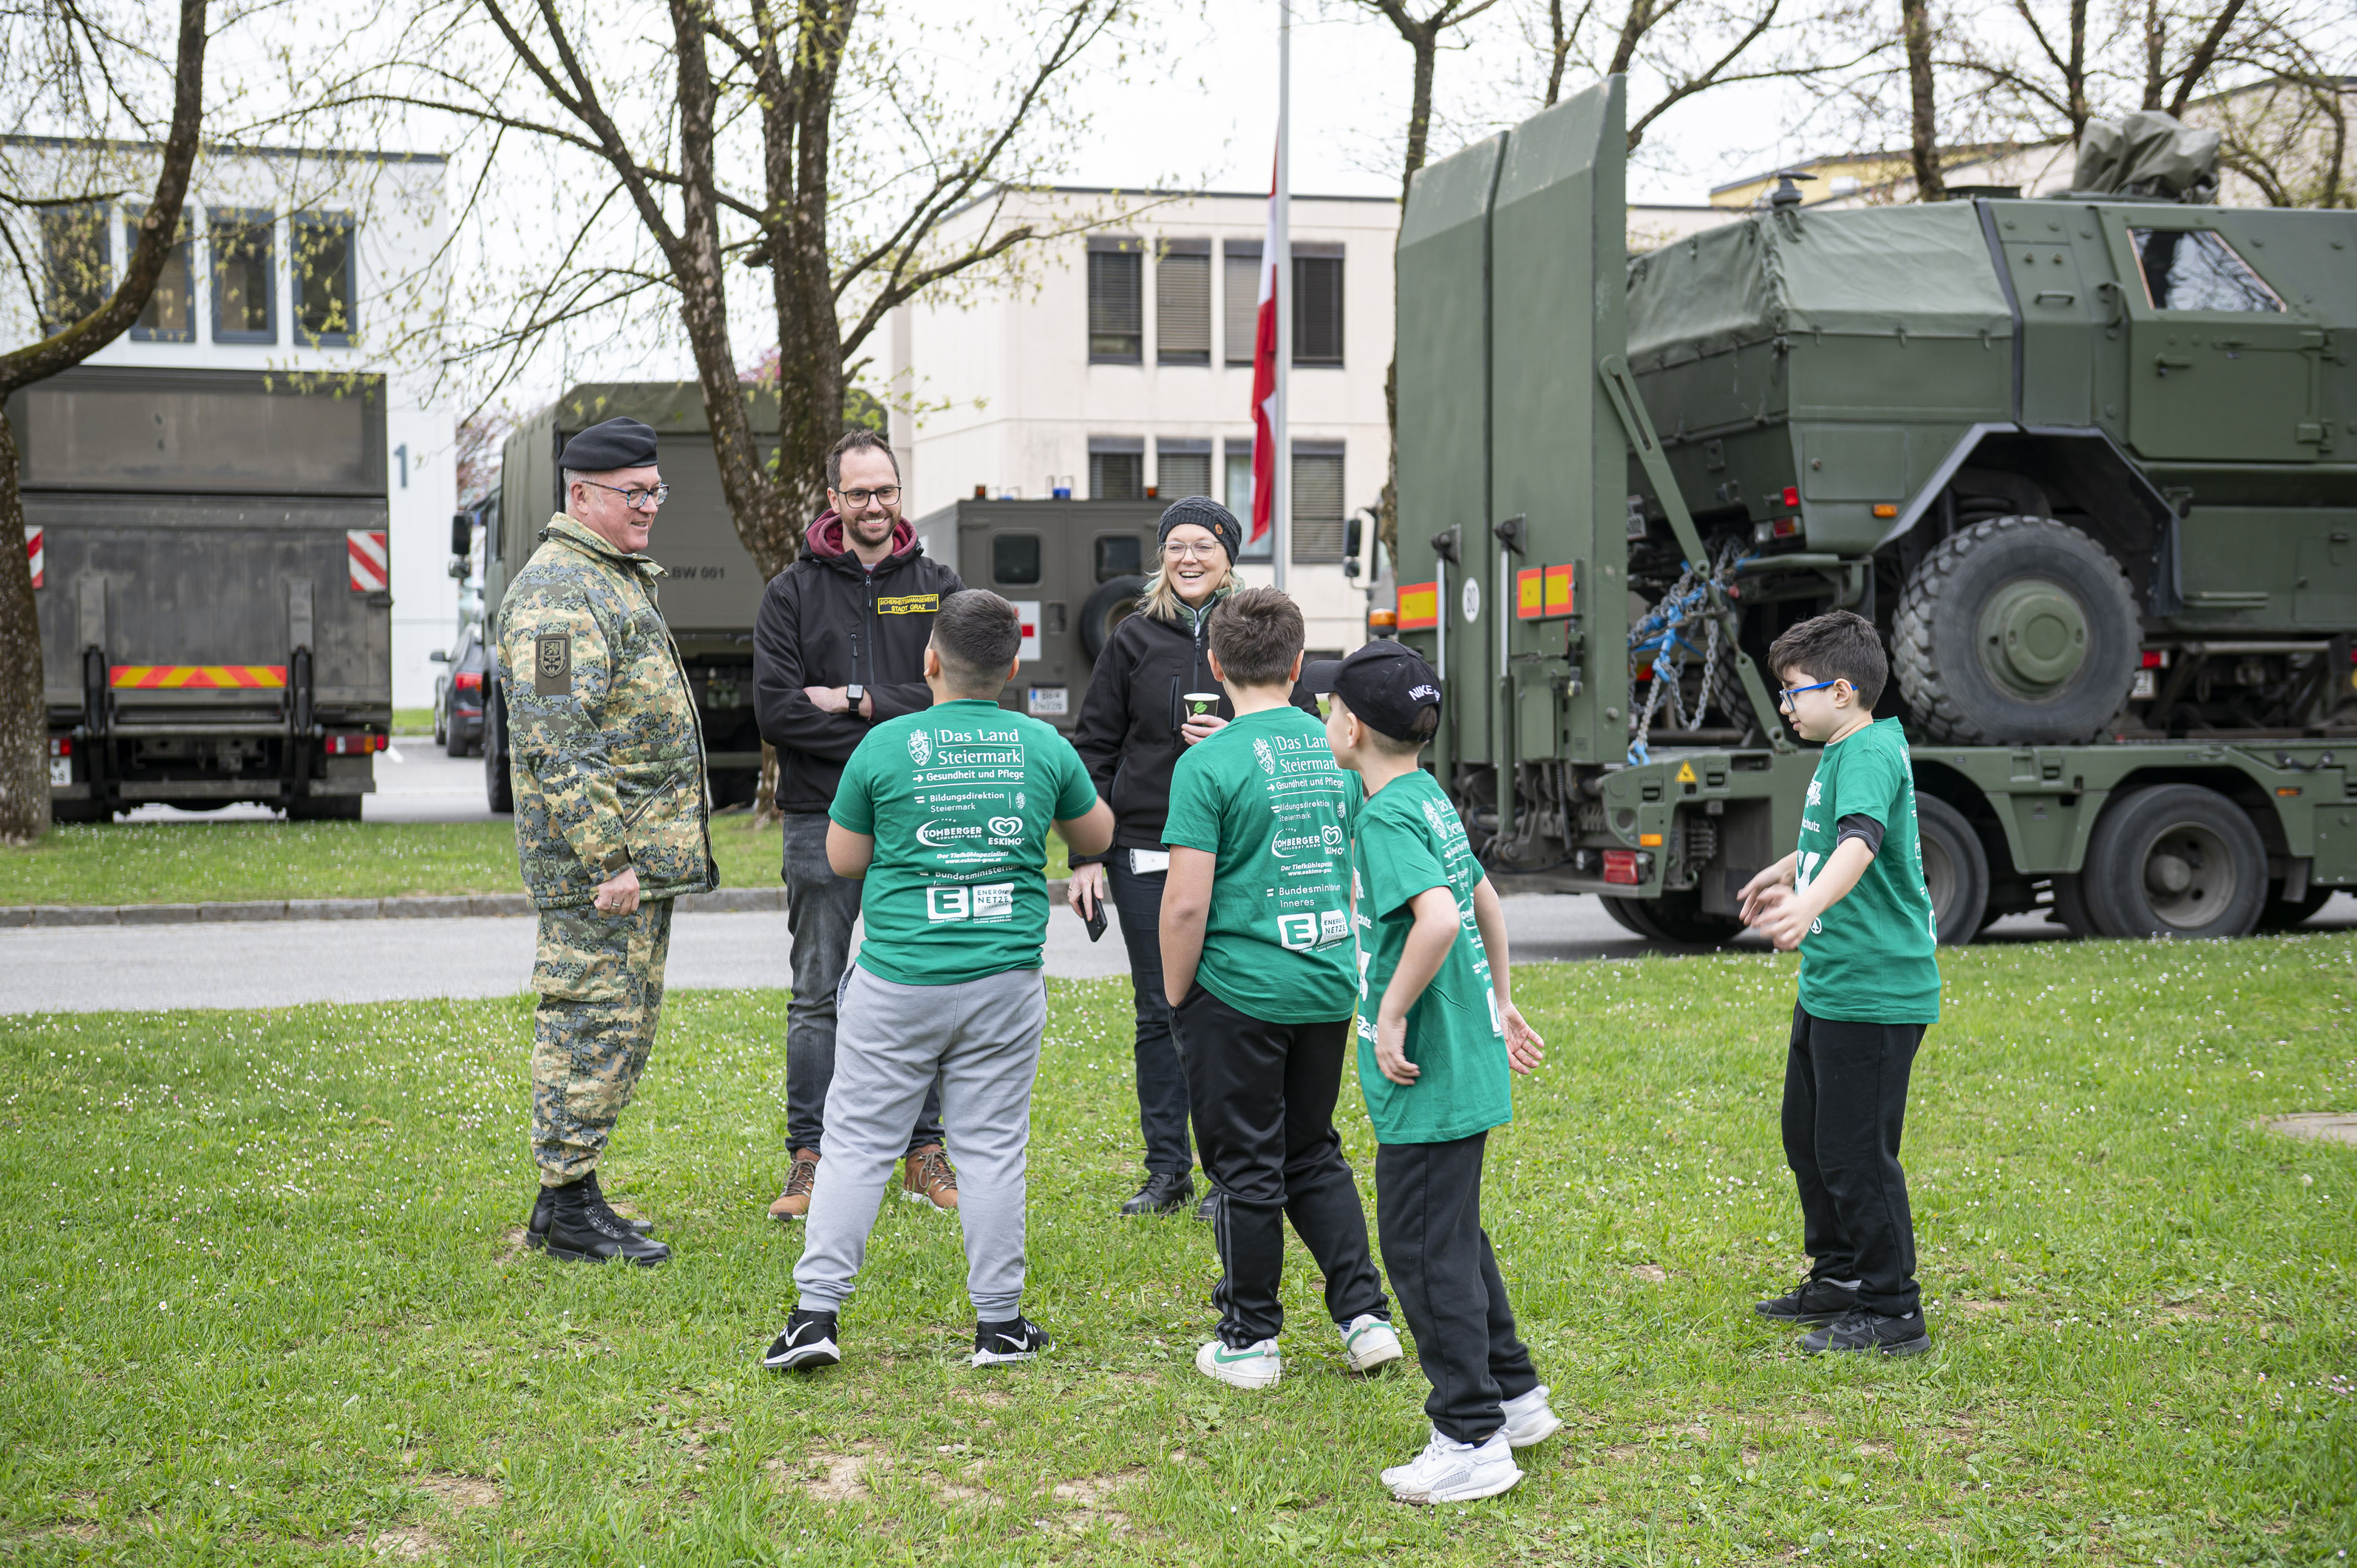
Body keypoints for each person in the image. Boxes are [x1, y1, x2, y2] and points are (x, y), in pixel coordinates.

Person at [763, 590, 1114, 1372]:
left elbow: (846, 859)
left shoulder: (885, 746)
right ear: (1014, 668)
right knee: (991, 1150)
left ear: (929, 661)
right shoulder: (1041, 744)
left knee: (854, 1144)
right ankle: (1000, 1325)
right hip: (1004, 978)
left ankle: (815, 1316)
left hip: (898, 980)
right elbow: (1097, 833)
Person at [1315, 640, 1556, 1505]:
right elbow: (1483, 896)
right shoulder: (1420, 793)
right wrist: (1503, 997)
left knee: (1422, 1255)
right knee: (1456, 1239)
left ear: (1348, 724)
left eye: (1327, 709)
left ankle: (1470, 1437)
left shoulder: (1383, 818)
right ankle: (1517, 1397)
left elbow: (1441, 917)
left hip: (1429, 1068)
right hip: (1468, 1049)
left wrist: (1387, 1014)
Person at [1158, 585, 1402, 1390]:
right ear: (1299, 667)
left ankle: (1251, 1337)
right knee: (1313, 1149)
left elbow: (1187, 899)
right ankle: (1364, 1319)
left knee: (1246, 1167)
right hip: (1328, 981)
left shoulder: (1207, 762)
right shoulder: (1338, 749)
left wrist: (1176, 994)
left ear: (1217, 664)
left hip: (1239, 989)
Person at [502, 416, 717, 1267]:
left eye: (656, 490)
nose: (651, 507)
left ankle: (575, 1194)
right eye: (634, 493)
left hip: (630, 867)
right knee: (588, 1022)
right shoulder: (559, 592)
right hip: (601, 871)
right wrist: (609, 859)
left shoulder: (606, 577)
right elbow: (559, 732)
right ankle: (564, 1205)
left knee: (617, 1027)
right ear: (580, 495)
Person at [1068, 496, 1315, 1220]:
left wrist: (1234, 735)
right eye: (1175, 546)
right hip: (1145, 845)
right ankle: (1166, 1172)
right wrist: (1088, 854)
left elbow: (1298, 722)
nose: (1187, 559)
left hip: (1240, 844)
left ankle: (1232, 1176)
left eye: (1202, 546)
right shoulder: (1133, 638)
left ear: (1228, 555)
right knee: (1158, 1013)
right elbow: (1093, 747)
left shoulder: (1262, 629)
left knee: (1232, 1011)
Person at [753, 429, 967, 1223]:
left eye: (885, 491)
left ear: (898, 493)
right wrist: (892, 715)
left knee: (923, 978)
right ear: (833, 499)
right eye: (858, 493)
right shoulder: (792, 593)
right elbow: (776, 711)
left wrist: (851, 699)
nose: (873, 506)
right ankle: (810, 1157)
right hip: (817, 814)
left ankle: (923, 1151)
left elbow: (959, 691)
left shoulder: (939, 585)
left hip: (918, 815)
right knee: (816, 990)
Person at [1738, 609, 1941, 1358]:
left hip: (1876, 991)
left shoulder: (1866, 755)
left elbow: (1860, 842)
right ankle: (1842, 1275)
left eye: (1795, 690)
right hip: (1832, 983)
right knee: (1811, 1137)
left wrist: (1807, 904)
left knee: (1857, 1152)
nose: (1787, 704)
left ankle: (1894, 1312)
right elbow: (1830, 840)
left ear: (1845, 690)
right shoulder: (1849, 745)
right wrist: (1787, 868)